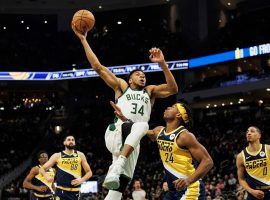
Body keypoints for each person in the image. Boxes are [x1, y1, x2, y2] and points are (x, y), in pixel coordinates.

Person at [72, 25, 178, 199]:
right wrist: (83, 39)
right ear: (130, 79)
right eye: (138, 74)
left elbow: (173, 89)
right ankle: (117, 165)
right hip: (117, 132)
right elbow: (98, 67)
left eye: (144, 75)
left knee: (117, 189)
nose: (142, 76)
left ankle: (116, 169)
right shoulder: (122, 87)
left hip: (132, 143)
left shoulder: (150, 91)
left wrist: (162, 64)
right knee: (143, 125)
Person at [111, 101, 213, 199]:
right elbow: (139, 130)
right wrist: (123, 118)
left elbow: (207, 161)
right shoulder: (159, 131)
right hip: (173, 191)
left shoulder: (184, 136)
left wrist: (188, 181)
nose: (168, 107)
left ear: (178, 115)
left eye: (173, 107)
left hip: (190, 190)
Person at [39, 135, 92, 200]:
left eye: (73, 140)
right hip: (61, 192)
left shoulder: (80, 155)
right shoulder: (57, 155)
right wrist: (46, 176)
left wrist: (81, 180)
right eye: (69, 140)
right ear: (64, 142)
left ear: (75, 143)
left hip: (76, 192)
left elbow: (89, 172)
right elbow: (41, 169)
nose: (71, 141)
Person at [236, 126, 270, 200]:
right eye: (247, 132)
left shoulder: (268, 149)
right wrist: (252, 191)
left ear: (259, 135)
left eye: (252, 131)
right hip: (253, 194)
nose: (248, 133)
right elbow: (241, 179)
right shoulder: (240, 156)